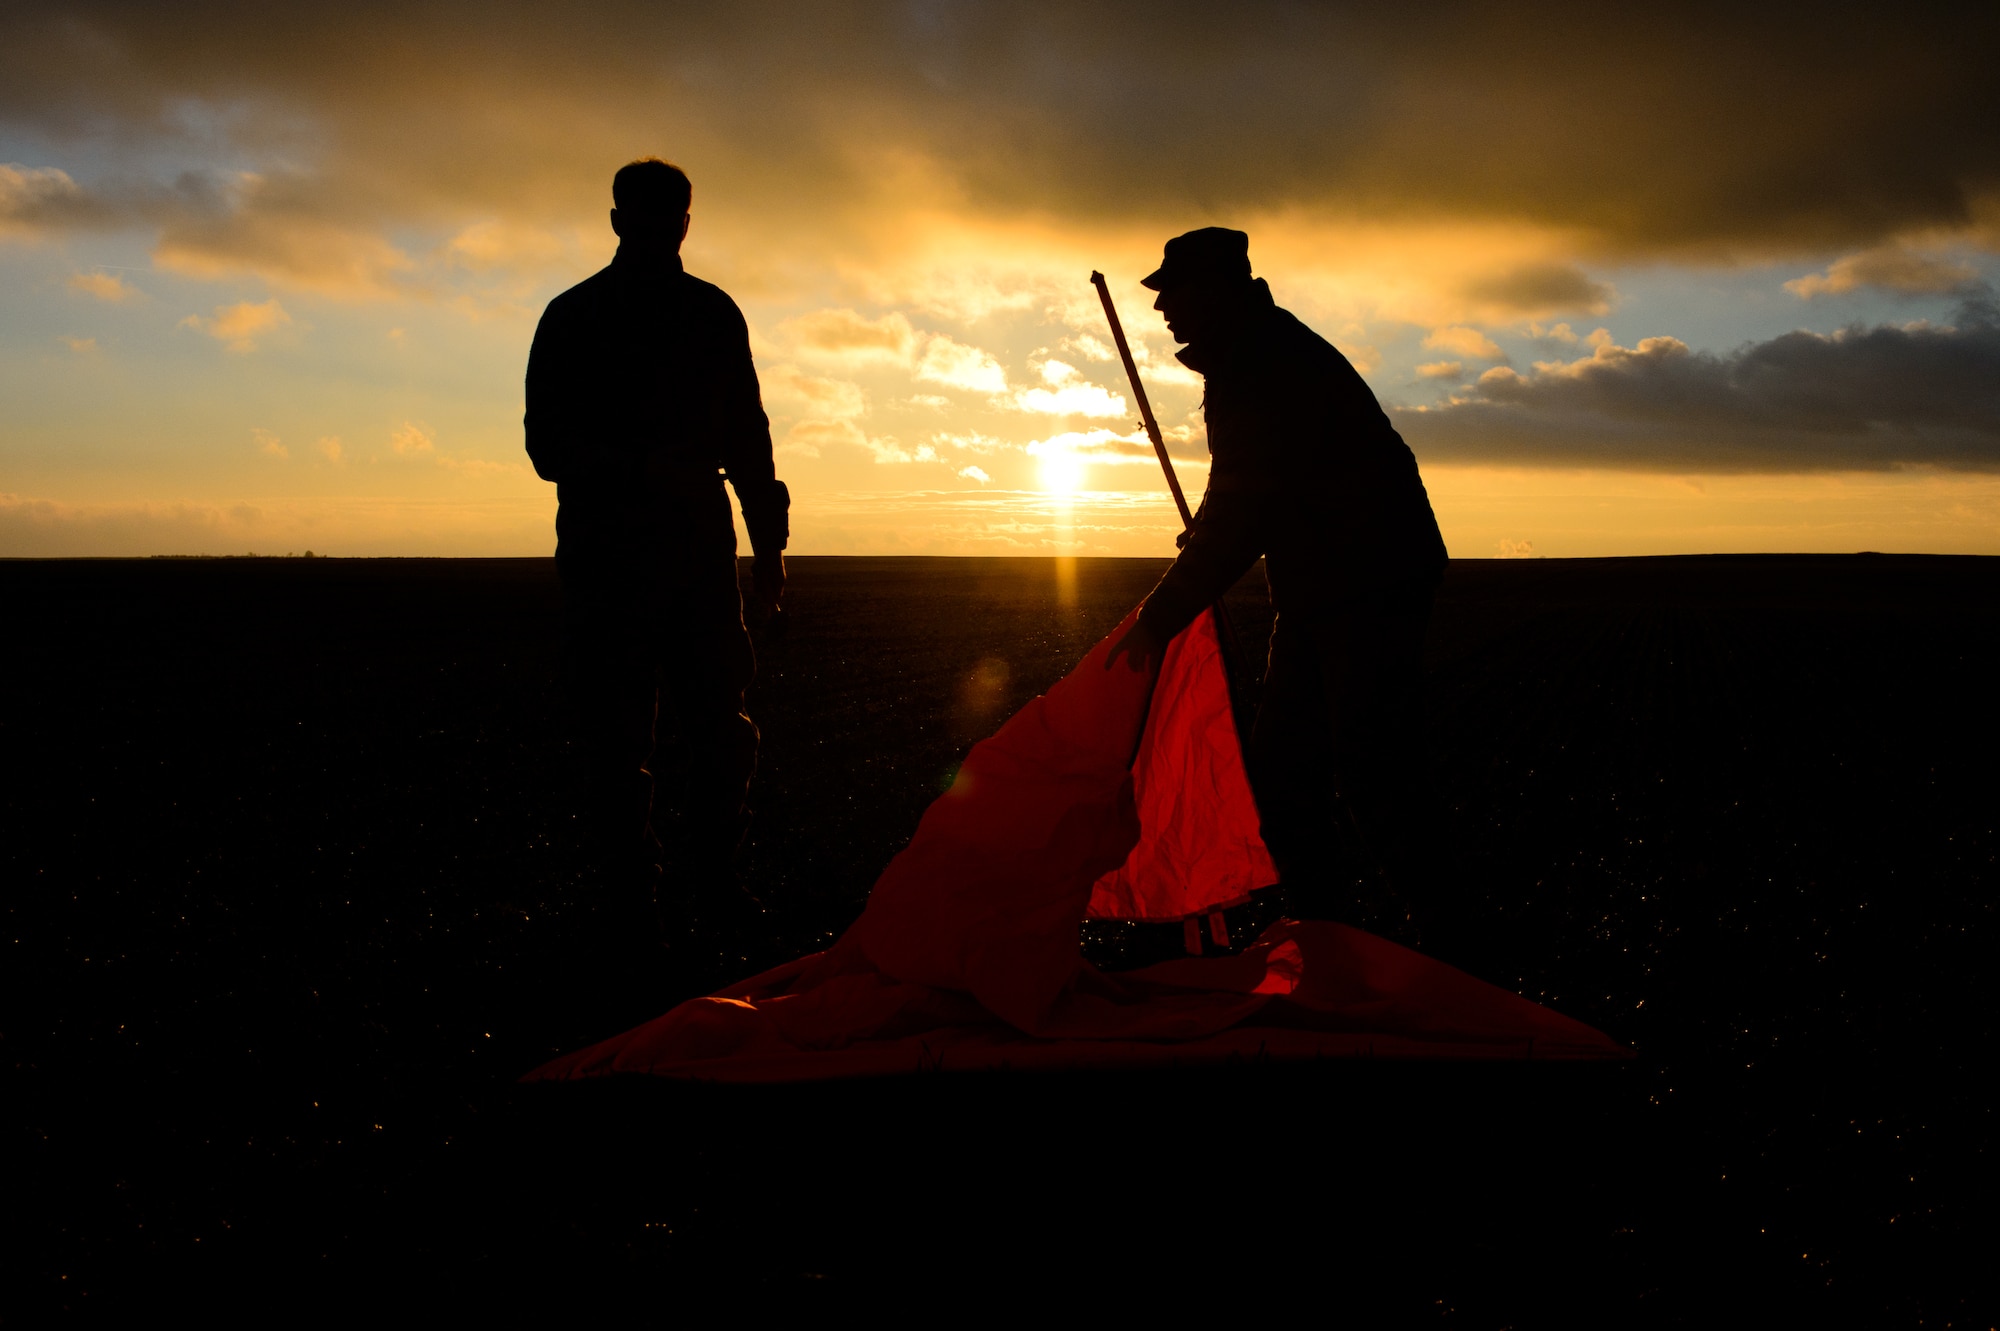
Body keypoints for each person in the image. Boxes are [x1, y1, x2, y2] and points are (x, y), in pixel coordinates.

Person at [1106, 227, 1449, 939]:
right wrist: (1202, 536)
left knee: (1369, 771)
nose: (1163, 307)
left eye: (1173, 291)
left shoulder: (1266, 365)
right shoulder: (1248, 356)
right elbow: (1237, 486)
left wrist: (1161, 613)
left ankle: (1440, 932)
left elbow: (1247, 504)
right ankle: (1327, 930)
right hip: (1325, 587)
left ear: (1215, 290)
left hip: (1365, 583)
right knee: (1289, 771)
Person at [524, 157, 788, 940]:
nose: (657, 228)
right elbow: (548, 448)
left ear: (684, 221)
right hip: (609, 553)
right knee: (615, 735)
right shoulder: (573, 317)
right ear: (617, 220)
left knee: (720, 728)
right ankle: (632, 896)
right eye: (643, 215)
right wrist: (644, 469)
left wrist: (769, 550)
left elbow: (749, 438)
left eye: (671, 216)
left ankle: (714, 884)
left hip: (698, 551)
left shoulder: (712, 315)